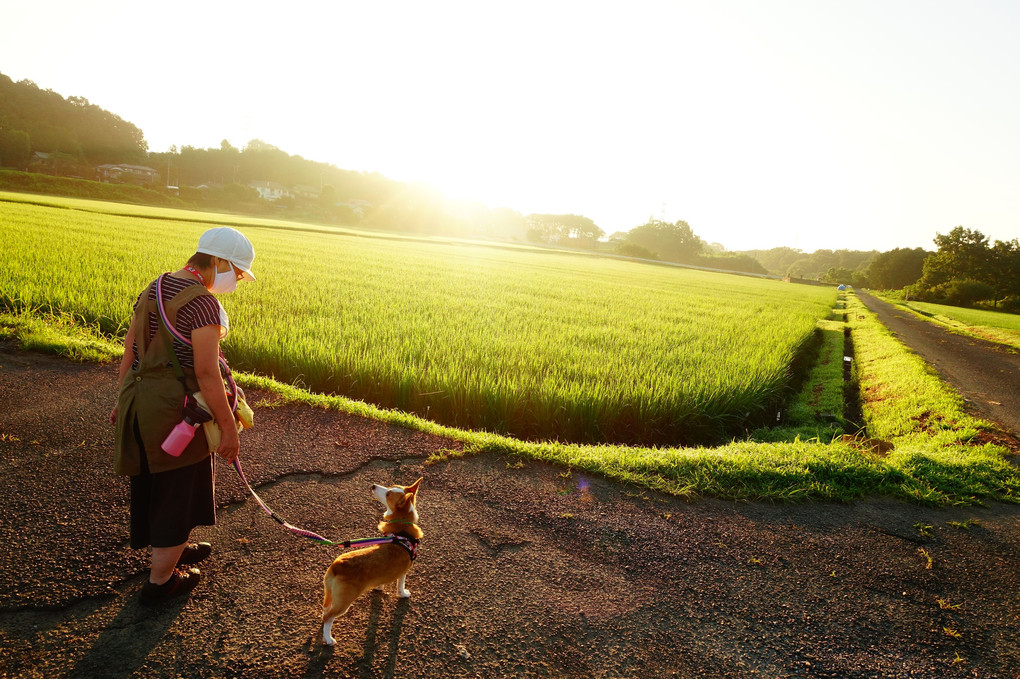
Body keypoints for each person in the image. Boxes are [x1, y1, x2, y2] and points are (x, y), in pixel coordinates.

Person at [110, 226, 256, 606]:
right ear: (219, 262)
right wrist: (229, 430)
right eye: (237, 273)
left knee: (155, 484)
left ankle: (171, 548)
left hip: (139, 402)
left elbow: (131, 350)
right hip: (175, 410)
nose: (237, 280)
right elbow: (207, 374)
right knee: (178, 492)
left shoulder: (155, 287)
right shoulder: (202, 304)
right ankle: (161, 582)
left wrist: (122, 402)